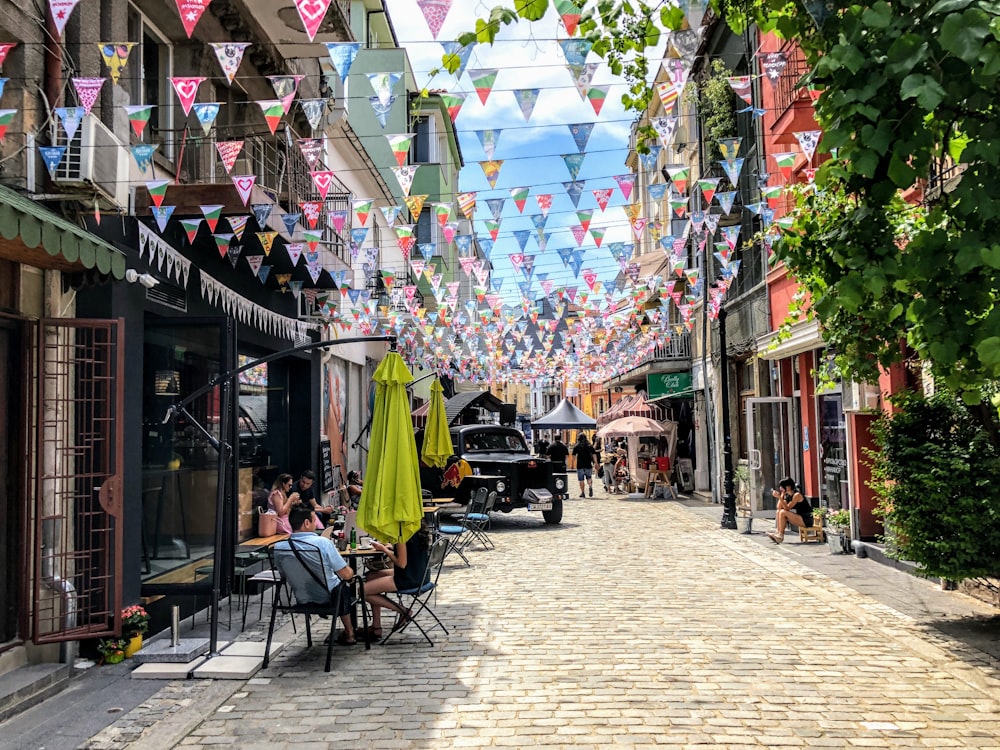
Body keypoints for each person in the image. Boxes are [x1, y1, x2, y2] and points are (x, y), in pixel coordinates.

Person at [273, 505, 358, 645]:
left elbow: (284, 574)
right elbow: (346, 574)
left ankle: (348, 632)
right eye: (314, 520)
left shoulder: (279, 547)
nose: (315, 523)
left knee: (338, 586)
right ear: (306, 523)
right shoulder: (322, 543)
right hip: (329, 599)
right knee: (343, 587)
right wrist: (352, 574)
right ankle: (350, 632)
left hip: (301, 598)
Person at [362, 520, 432, 638]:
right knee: (370, 576)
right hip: (421, 574)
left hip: (408, 578)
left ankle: (403, 611)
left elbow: (401, 563)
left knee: (362, 591)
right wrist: (391, 547)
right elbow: (409, 552)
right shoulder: (415, 527)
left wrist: (385, 550)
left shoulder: (402, 534)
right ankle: (376, 626)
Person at [767, 477, 813, 544]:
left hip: (807, 519)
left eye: (782, 486)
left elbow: (787, 508)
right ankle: (778, 533)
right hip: (799, 517)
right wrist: (782, 495)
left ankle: (780, 536)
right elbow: (779, 507)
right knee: (779, 512)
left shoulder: (797, 495)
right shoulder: (788, 495)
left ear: (788, 487)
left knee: (783, 512)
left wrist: (779, 497)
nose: (781, 488)